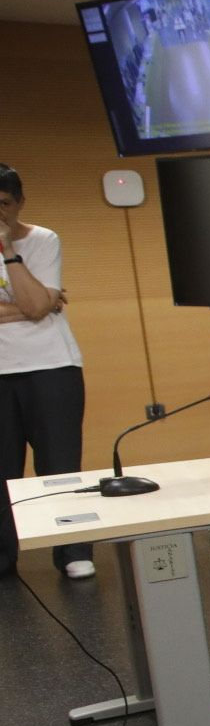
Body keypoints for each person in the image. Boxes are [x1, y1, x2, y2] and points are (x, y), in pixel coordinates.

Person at [0, 162, 93, 581]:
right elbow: (40, 305)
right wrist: (41, 304)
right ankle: (4, 556)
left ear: (19, 202)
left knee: (59, 465)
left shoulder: (42, 240)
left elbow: (37, 306)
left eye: (3, 204)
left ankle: (72, 551)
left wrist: (9, 252)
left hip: (52, 366)